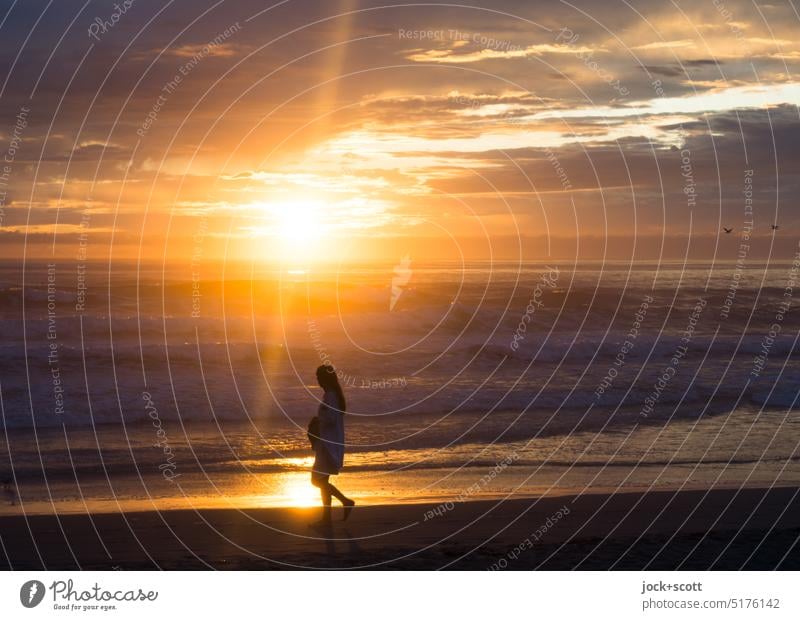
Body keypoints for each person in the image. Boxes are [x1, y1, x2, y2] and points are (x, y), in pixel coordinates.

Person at [309, 365, 354, 526]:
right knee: (322, 480)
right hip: (327, 442)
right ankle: (326, 518)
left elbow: (331, 419)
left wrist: (317, 421)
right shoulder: (331, 395)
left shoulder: (331, 396)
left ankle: (345, 501)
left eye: (319, 377)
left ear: (324, 378)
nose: (317, 380)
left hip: (328, 444)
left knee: (317, 480)